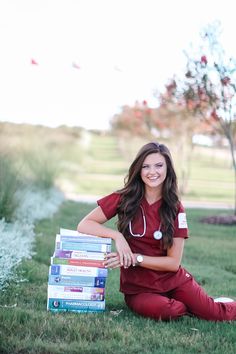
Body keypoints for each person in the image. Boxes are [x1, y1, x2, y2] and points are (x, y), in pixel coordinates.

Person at [77, 142, 236, 321]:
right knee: (170, 311)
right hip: (139, 288)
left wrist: (135, 258)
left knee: (215, 314)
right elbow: (84, 224)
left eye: (159, 165)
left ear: (168, 168)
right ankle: (191, 306)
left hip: (174, 281)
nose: (152, 172)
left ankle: (208, 305)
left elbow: (173, 263)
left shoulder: (175, 207)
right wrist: (117, 236)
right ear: (139, 169)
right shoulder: (124, 198)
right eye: (146, 166)